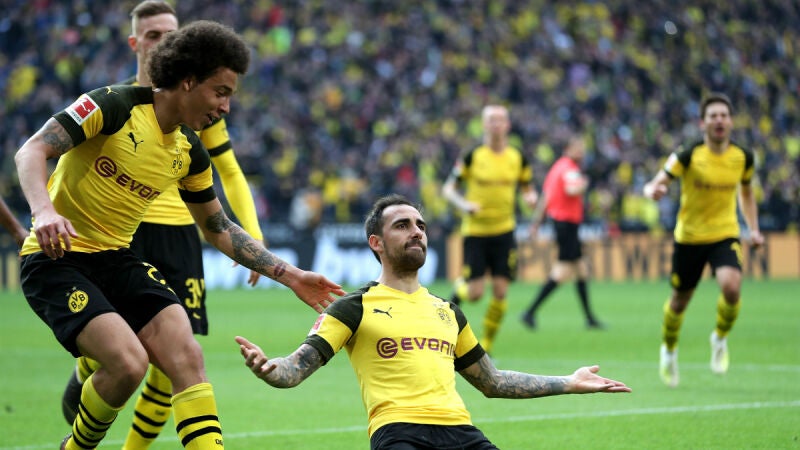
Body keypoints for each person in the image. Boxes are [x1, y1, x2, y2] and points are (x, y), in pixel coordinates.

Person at [15, 20, 344, 450]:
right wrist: (43, 211)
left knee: (186, 355)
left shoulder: (189, 151)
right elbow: (31, 150)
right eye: (220, 92)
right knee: (129, 364)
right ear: (188, 81)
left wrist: (292, 276)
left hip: (116, 259)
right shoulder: (112, 106)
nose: (226, 107)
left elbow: (219, 228)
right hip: (56, 258)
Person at [236, 194, 631, 449]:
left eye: (421, 226)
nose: (417, 232)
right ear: (376, 243)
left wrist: (569, 382)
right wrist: (271, 369)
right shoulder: (353, 307)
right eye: (403, 225)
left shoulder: (448, 311)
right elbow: (296, 367)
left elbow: (492, 382)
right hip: (398, 434)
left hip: (461, 433)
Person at [59, 4, 267, 449]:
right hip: (125, 231)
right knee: (125, 348)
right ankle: (89, 365)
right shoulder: (118, 103)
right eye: (154, 35)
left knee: (176, 356)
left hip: (181, 233)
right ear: (135, 43)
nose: (164, 42)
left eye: (172, 34)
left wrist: (254, 234)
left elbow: (230, 171)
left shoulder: (203, 106)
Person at [642, 92, 763, 388]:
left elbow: (746, 193)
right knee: (679, 302)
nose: (719, 120)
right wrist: (652, 191)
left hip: (725, 233)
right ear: (703, 123)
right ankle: (669, 350)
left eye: (724, 115)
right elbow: (656, 182)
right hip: (690, 238)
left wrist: (754, 228)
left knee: (731, 287)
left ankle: (719, 338)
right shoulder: (688, 154)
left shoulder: (743, 157)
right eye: (713, 116)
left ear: (731, 121)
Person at [441, 104, 538, 354]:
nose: (496, 124)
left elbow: (527, 186)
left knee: (501, 290)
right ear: (484, 125)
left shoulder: (517, 157)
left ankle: (487, 345)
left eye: (500, 120)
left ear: (508, 125)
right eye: (491, 120)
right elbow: (448, 189)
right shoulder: (472, 156)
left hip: (504, 231)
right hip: (476, 231)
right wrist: (464, 205)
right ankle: (460, 288)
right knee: (475, 294)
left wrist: (530, 197)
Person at [520, 136, 604, 330]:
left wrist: (536, 223)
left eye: (582, 147)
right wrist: (584, 183)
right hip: (567, 224)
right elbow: (572, 189)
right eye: (578, 147)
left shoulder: (556, 168)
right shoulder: (570, 168)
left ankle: (589, 318)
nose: (581, 151)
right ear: (567, 149)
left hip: (562, 224)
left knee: (581, 269)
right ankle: (530, 312)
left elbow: (546, 197)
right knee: (563, 270)